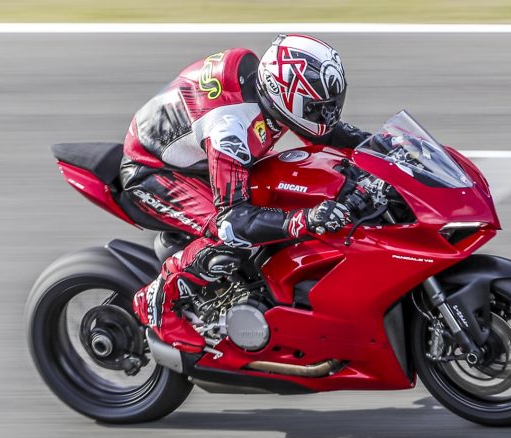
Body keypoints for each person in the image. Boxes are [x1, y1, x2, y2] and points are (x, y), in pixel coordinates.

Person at [120, 34, 371, 353]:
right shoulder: (231, 127)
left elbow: (325, 131)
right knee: (231, 238)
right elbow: (232, 220)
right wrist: (304, 219)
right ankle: (157, 302)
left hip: (198, 153)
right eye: (317, 108)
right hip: (155, 170)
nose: (327, 115)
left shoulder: (267, 88)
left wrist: (378, 148)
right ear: (288, 98)